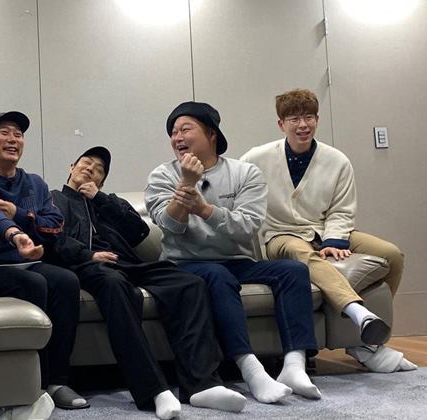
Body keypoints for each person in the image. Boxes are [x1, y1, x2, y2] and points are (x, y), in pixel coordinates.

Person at [48, 146, 246, 418]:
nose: (91, 168)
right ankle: (153, 390)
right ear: (71, 167)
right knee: (115, 285)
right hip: (85, 266)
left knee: (189, 283)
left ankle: (203, 384)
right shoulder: (53, 199)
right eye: (86, 162)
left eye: (99, 169)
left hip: (127, 264)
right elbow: (53, 238)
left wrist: (100, 199)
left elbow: (138, 231)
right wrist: (88, 255)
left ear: (102, 181)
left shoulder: (108, 201)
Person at [145, 101, 322, 403]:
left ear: (211, 134)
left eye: (185, 129)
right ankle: (251, 370)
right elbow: (169, 226)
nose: (177, 137)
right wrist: (187, 183)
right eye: (173, 132)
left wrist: (205, 209)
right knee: (217, 274)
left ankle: (294, 364)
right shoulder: (162, 175)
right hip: (185, 264)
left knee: (293, 270)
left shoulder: (245, 173)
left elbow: (248, 226)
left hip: (238, 261)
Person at [241, 88, 416, 373]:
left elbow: (342, 208)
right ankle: (358, 315)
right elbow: (238, 193)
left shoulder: (337, 160)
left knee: (391, 254)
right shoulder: (255, 158)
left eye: (309, 117)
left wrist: (334, 239)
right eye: (294, 119)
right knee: (302, 254)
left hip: (324, 229)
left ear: (317, 119)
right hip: (280, 235)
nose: (303, 125)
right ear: (281, 124)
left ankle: (366, 341)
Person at [0, 111, 87, 410]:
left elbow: (55, 225)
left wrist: (19, 214)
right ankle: (35, 384)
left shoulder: (35, 183)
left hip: (30, 262)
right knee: (34, 283)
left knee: (67, 281)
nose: (13, 139)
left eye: (18, 134)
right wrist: (17, 234)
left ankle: (58, 381)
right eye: (4, 133)